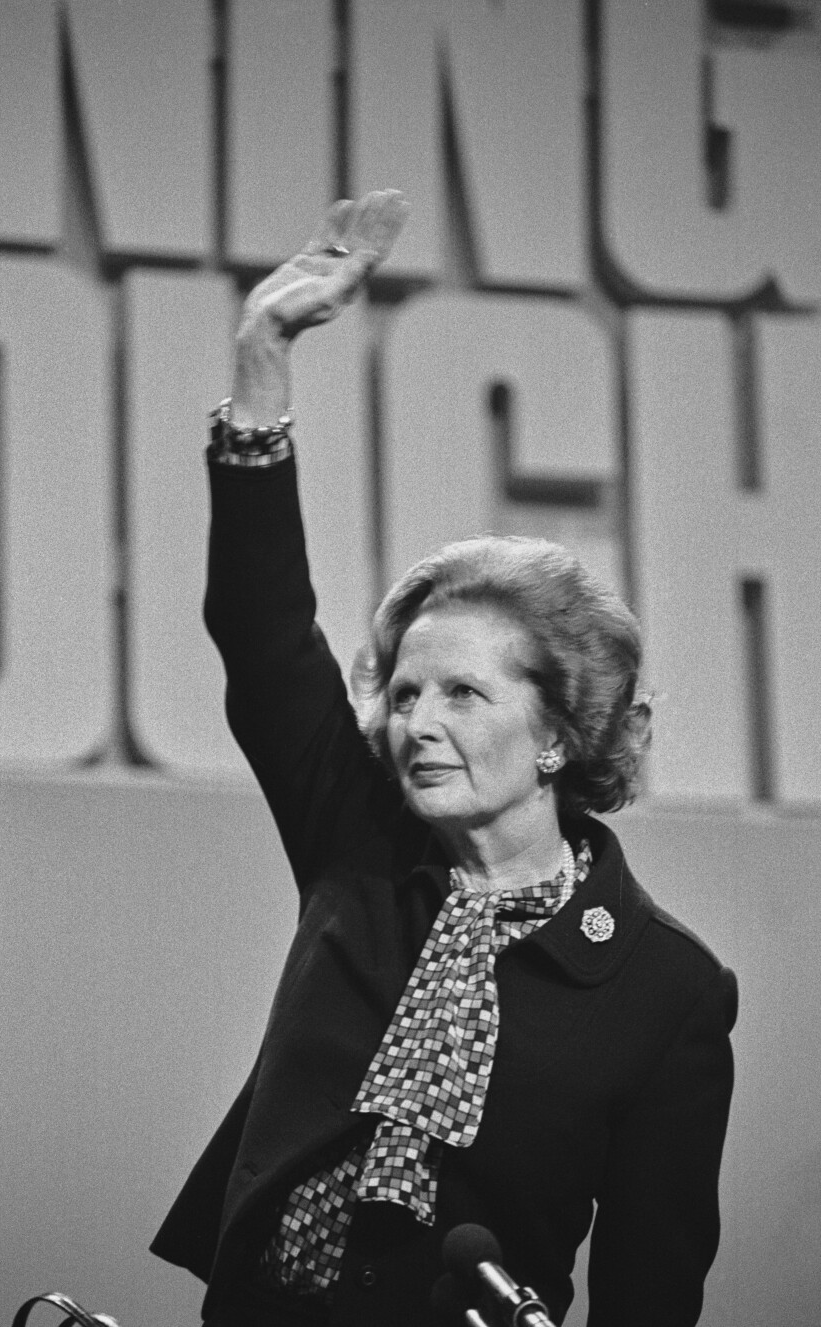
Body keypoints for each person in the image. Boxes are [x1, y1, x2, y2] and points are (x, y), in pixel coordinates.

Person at [151, 191, 737, 1327]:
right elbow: (263, 629)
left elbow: (651, 1289)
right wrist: (263, 359)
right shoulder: (357, 835)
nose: (415, 721)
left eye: (462, 693)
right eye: (405, 691)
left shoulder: (667, 990)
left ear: (560, 731)